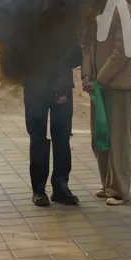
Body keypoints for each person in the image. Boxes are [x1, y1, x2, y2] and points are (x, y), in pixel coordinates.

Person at [82, 0, 131, 206]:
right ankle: (107, 184)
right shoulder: (95, 11)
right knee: (100, 138)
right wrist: (87, 74)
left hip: (120, 86)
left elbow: (125, 50)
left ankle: (119, 190)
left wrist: (101, 78)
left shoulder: (124, 10)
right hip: (99, 86)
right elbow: (87, 47)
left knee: (118, 138)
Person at [24, 21, 82, 207]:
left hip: (61, 87)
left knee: (62, 138)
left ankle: (60, 187)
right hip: (36, 89)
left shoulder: (65, 23)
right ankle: (39, 190)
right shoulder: (26, 22)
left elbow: (76, 57)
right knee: (38, 137)